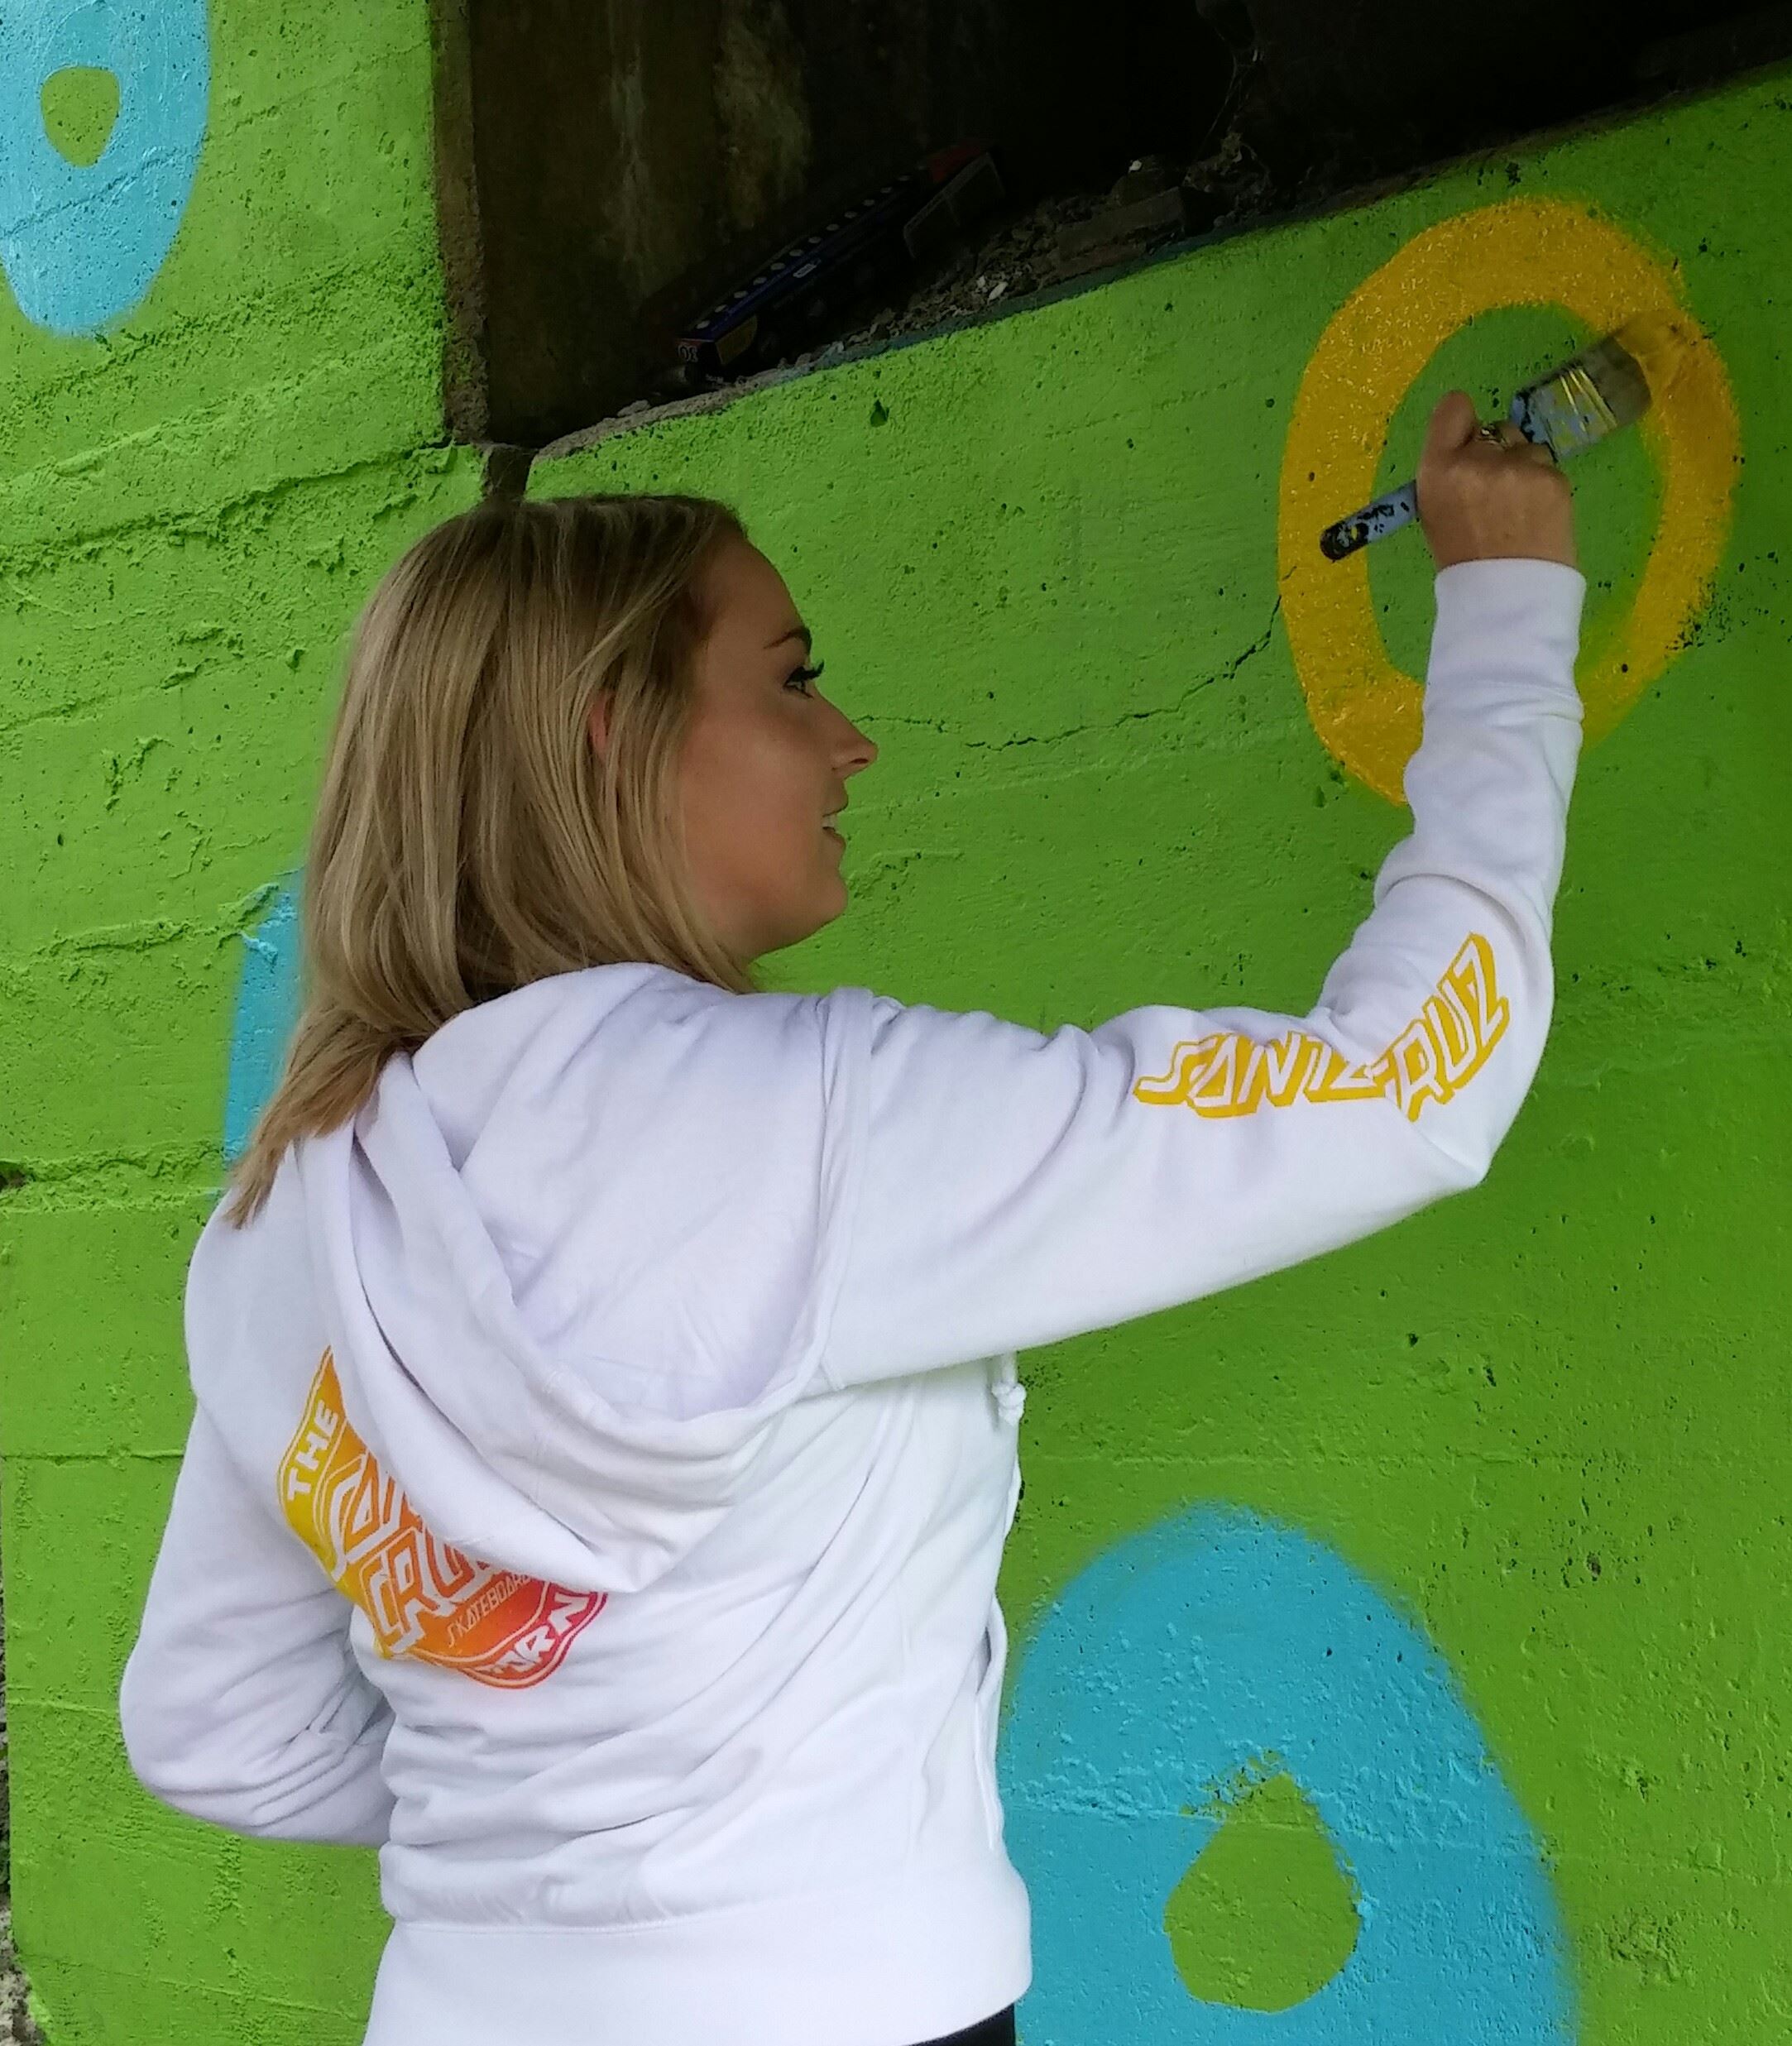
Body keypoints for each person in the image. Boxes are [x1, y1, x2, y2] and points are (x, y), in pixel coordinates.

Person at [117, 391, 1580, 2046]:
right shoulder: (822, 1123)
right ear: (611, 726)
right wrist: (1510, 608)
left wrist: (552, 1825)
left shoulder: (285, 1213)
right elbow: (1411, 1084)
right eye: (792, 677)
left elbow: (212, 1726)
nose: (849, 739)